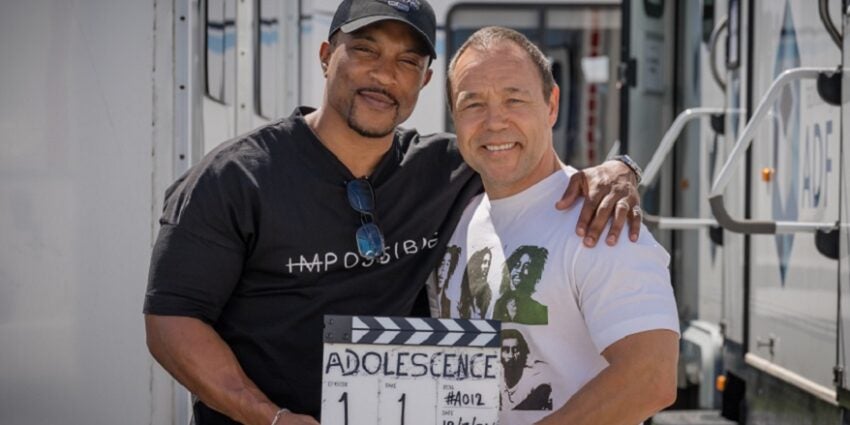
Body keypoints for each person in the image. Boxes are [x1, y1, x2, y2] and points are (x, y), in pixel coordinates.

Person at [143, 1, 643, 424]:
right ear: (325, 56)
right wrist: (270, 417)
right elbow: (172, 321)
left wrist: (619, 169)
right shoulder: (234, 178)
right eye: (365, 50)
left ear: (425, 81)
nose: (385, 75)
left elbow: (525, 157)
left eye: (407, 61)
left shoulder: (448, 167)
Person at [431, 26, 680, 425]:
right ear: (455, 118)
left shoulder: (600, 220)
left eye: (515, 99)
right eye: (472, 104)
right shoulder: (458, 215)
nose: (495, 122)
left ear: (551, 105)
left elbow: (650, 377)